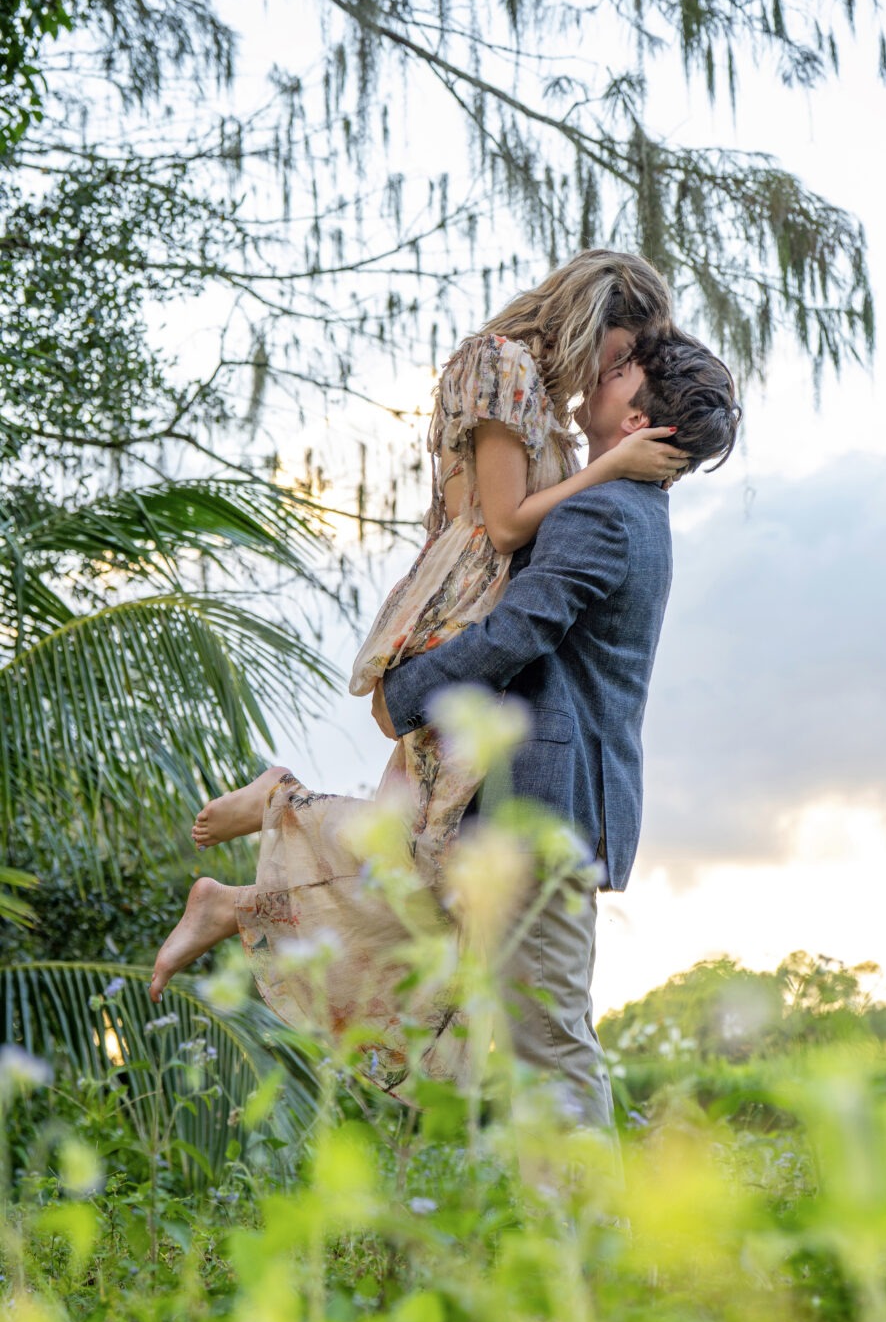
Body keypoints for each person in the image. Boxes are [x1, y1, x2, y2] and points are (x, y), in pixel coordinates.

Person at [150, 253, 683, 1048]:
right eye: (620, 353)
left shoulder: (539, 398)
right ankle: (275, 805)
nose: (611, 373)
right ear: (592, 318)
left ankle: (238, 900)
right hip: (461, 613)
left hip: (484, 618)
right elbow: (504, 525)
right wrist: (610, 466)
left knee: (413, 882)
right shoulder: (500, 364)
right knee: (418, 868)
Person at [371, 328, 740, 1126]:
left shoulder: (602, 511)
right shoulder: (629, 507)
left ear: (638, 422)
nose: (601, 372)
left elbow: (519, 631)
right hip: (563, 805)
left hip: (547, 807)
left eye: (621, 372)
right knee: (528, 1035)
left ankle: (587, 1216)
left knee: (550, 1042)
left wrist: (402, 695)